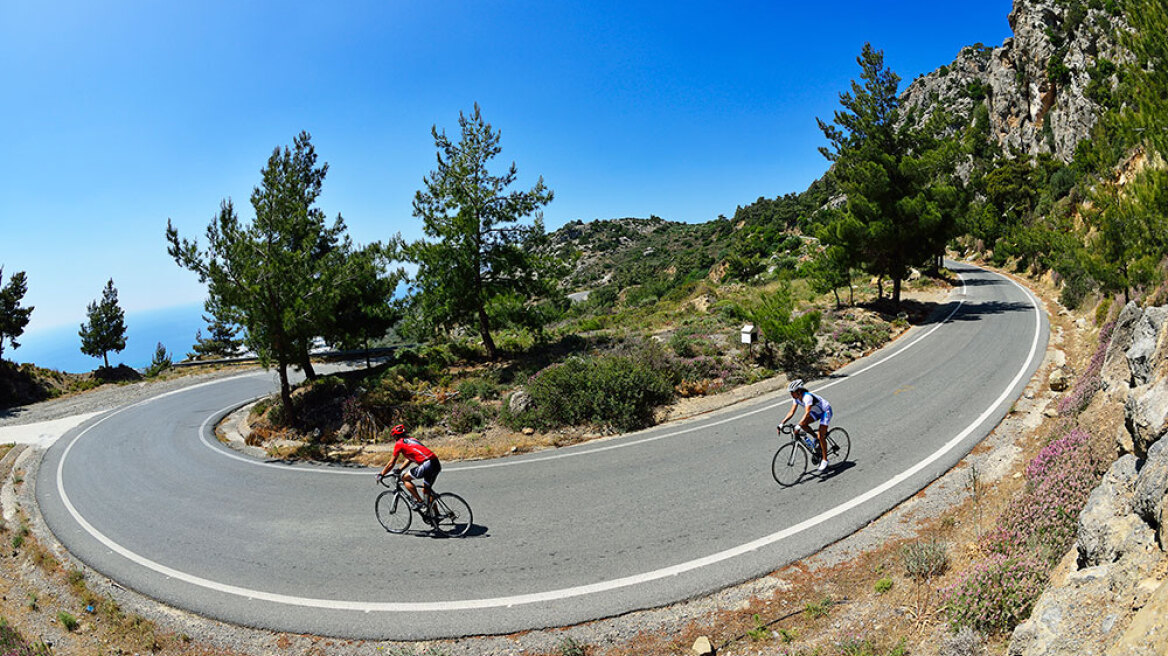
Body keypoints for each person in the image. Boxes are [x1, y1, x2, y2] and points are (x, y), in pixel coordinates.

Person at [377, 424, 442, 513]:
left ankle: (419, 501)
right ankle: (437, 516)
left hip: (427, 464)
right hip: (435, 462)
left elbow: (391, 463)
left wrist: (381, 474)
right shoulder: (412, 440)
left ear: (396, 436)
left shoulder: (399, 443)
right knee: (426, 491)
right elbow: (410, 459)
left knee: (404, 478)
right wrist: (400, 469)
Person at [780, 378, 833, 472]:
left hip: (825, 411)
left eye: (792, 392)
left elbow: (807, 412)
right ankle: (815, 437)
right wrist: (782, 423)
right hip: (816, 412)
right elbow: (791, 412)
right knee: (804, 425)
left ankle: (825, 460)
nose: (791, 394)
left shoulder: (807, 397)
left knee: (821, 435)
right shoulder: (796, 398)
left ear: (799, 391)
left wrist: (799, 425)